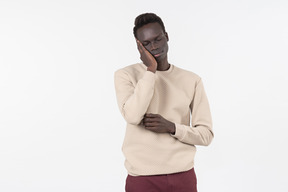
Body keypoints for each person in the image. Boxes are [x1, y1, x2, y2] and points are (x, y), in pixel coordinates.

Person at [114, 13, 214, 192]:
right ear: (139, 46)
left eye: (157, 39)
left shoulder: (192, 80)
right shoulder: (125, 75)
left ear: (166, 36)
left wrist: (172, 127)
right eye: (146, 44)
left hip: (183, 175)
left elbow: (206, 135)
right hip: (142, 178)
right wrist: (150, 70)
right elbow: (133, 115)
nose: (154, 46)